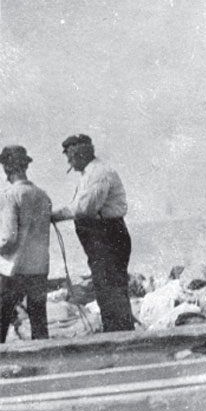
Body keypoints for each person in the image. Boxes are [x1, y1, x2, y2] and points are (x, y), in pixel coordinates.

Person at [52, 134, 135, 332]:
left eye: (70, 158)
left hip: (107, 235)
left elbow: (84, 209)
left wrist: (53, 215)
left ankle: (119, 334)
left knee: (110, 287)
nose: (70, 163)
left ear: (80, 154)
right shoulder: (89, 174)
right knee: (106, 286)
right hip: (101, 237)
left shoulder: (98, 173)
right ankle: (117, 331)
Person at [0, 145, 52, 342]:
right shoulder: (43, 195)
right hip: (39, 267)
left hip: (13, 269)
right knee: (39, 319)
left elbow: (8, 239)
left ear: (6, 168)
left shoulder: (10, 195)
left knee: (1, 317)